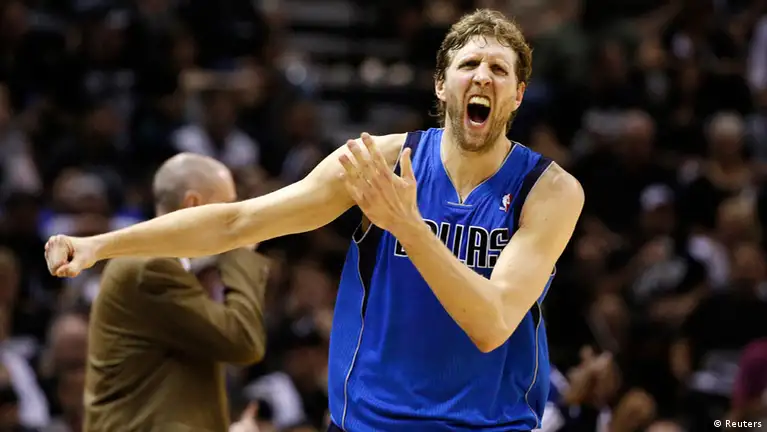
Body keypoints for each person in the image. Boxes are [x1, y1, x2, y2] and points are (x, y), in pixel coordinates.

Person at [45, 9, 584, 431]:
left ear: (517, 95)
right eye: (469, 65)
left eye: (499, 70)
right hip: (372, 424)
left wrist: (409, 227)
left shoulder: (549, 191)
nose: (483, 76)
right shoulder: (380, 160)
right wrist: (99, 245)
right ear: (442, 85)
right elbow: (238, 222)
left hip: (490, 426)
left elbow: (491, 324)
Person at [81, 153, 270, 431]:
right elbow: (243, 341)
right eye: (228, 206)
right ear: (193, 204)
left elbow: (176, 378)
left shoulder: (163, 261)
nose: (234, 218)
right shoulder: (150, 266)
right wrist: (241, 252)